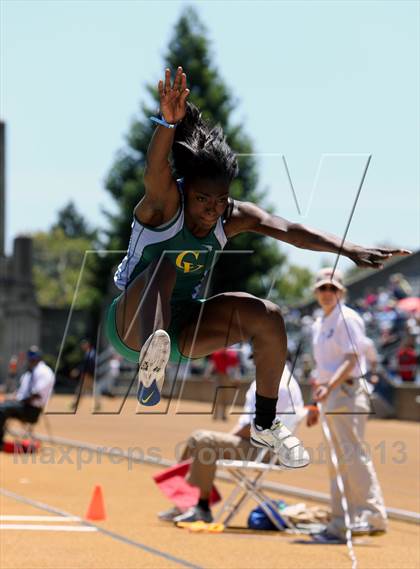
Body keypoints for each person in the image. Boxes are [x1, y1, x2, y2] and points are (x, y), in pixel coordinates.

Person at [105, 65, 410, 468]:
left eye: (219, 202)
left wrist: (348, 248)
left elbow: (289, 229)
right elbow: (154, 168)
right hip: (133, 322)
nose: (211, 212)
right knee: (164, 268)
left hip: (181, 329)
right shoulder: (164, 204)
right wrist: (166, 123)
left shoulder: (232, 216)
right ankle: (150, 365)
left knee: (268, 316)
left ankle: (266, 423)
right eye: (202, 201)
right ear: (185, 190)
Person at [158, 364, 306, 523]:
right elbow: (247, 423)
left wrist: (224, 439)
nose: (255, 360)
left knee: (204, 441)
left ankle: (201, 508)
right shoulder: (271, 378)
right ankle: (184, 502)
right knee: (198, 439)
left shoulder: (278, 384)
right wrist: (227, 438)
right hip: (256, 445)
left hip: (266, 451)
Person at [309, 268, 388, 542]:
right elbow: (324, 366)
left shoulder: (347, 318)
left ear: (341, 291)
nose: (327, 293)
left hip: (348, 391)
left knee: (352, 456)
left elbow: (351, 359)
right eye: (323, 288)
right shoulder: (319, 323)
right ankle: (342, 521)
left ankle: (371, 514)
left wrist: (328, 387)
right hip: (332, 394)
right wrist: (319, 390)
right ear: (316, 292)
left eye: (332, 288)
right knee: (337, 461)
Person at [0, 347, 55, 450]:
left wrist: (18, 401)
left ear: (39, 358)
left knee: (1, 409)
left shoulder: (44, 372)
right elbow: (22, 393)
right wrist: (12, 398)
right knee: (3, 404)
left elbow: (37, 394)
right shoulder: (29, 373)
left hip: (31, 410)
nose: (31, 360)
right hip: (23, 406)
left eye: (33, 357)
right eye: (30, 357)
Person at [207, 347, 241, 421]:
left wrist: (237, 379)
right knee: (220, 396)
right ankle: (217, 415)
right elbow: (213, 364)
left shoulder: (230, 354)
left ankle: (222, 415)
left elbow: (235, 368)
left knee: (223, 396)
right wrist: (208, 374)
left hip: (225, 376)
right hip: (220, 376)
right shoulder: (219, 353)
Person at [70, 339, 96, 411]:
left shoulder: (90, 353)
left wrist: (84, 373)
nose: (82, 346)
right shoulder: (89, 353)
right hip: (88, 375)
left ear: (87, 345)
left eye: (83, 345)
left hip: (88, 376)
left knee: (81, 390)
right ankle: (75, 403)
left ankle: (75, 404)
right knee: (88, 390)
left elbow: (90, 365)